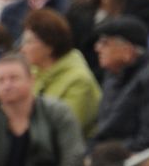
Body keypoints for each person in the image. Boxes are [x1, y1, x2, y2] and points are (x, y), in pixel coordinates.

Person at [89, 17, 149, 151]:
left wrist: (105, 154)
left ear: (127, 51)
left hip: (134, 160)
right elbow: (103, 133)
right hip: (107, 155)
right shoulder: (113, 76)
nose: (97, 48)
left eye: (105, 43)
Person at [20, 10, 102, 138]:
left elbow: (65, 132)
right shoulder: (34, 71)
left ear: (49, 46)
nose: (22, 48)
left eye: (28, 42)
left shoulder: (78, 81)